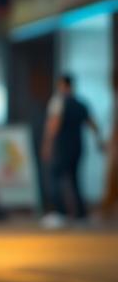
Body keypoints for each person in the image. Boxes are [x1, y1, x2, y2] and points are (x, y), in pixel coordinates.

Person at [40, 74, 104, 227]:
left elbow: (54, 125)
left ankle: (60, 213)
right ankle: (81, 215)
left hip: (62, 148)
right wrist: (99, 141)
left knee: (55, 177)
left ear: (62, 85)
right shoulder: (81, 104)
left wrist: (47, 145)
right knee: (75, 180)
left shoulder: (58, 102)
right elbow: (93, 124)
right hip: (77, 148)